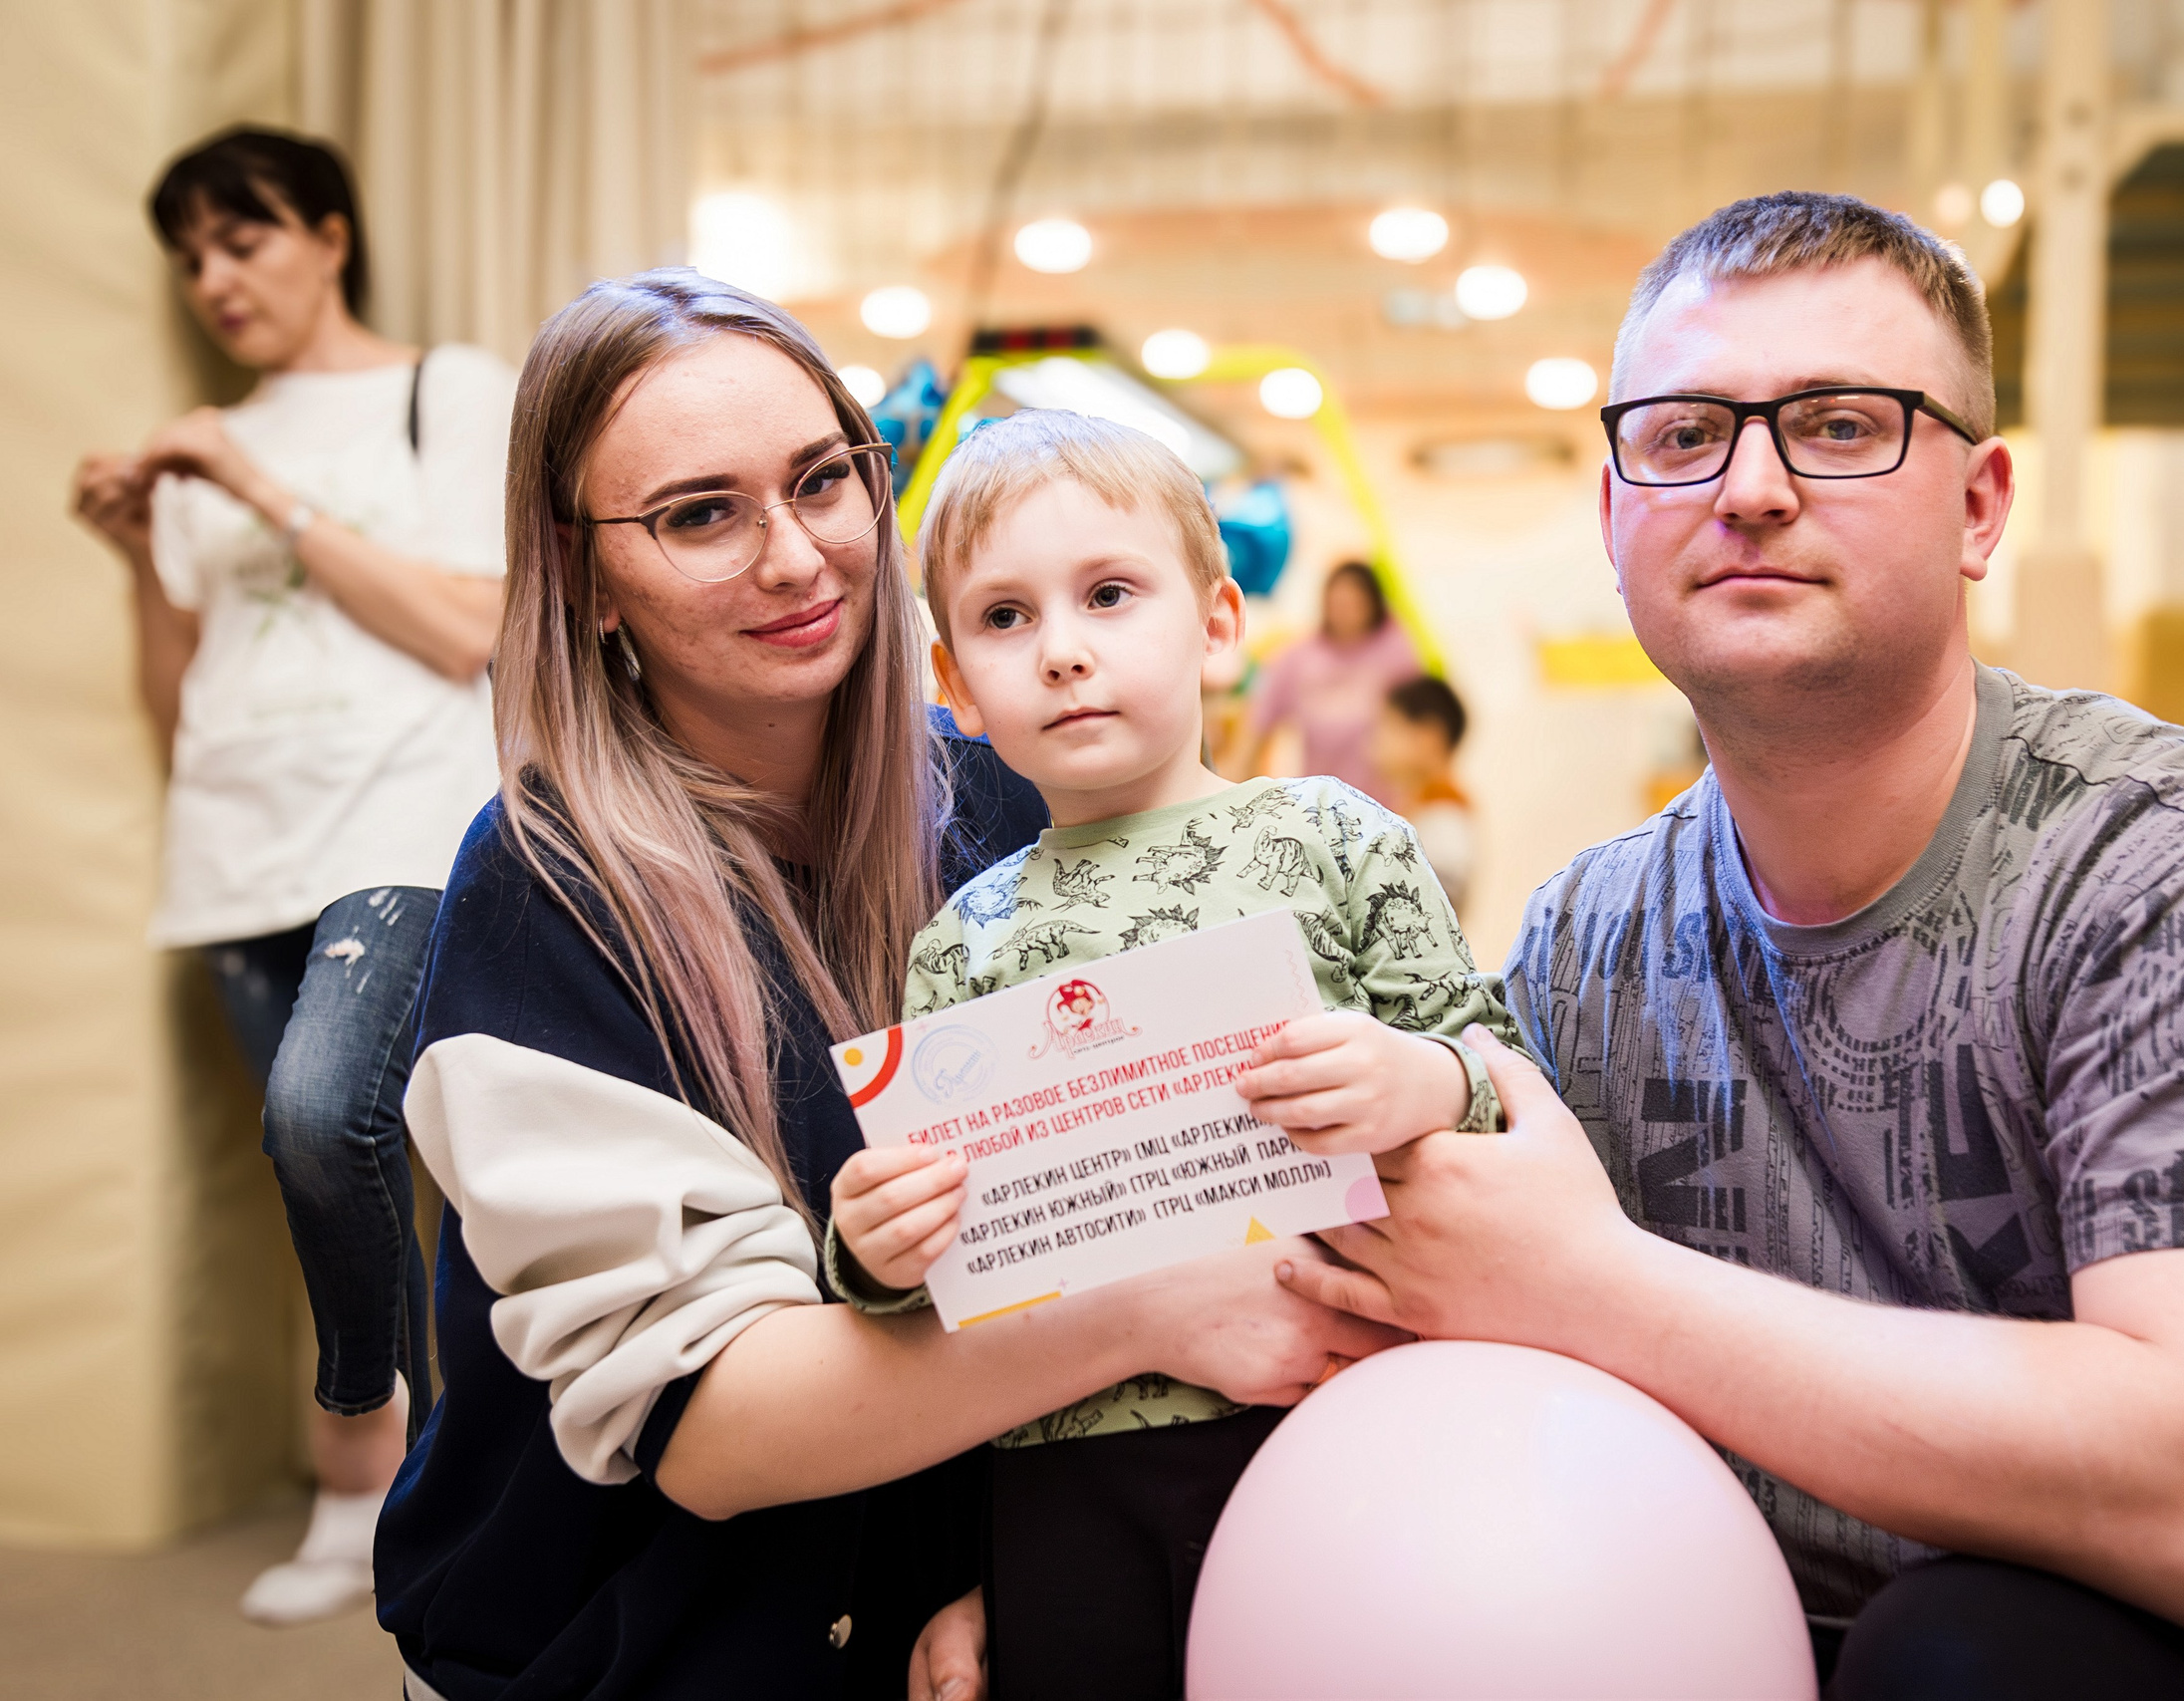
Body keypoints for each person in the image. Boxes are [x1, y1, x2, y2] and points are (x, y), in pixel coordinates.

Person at [1273, 192, 2184, 1701]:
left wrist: (1587, 1283)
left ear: (1981, 507)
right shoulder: (1585, 940)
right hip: (1760, 1625)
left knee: (1971, 1652)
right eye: (1682, 435)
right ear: (1615, 515)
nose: (1749, 487)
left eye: (1838, 423)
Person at [377, 272, 1402, 1701]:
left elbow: (1141, 1196)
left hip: (954, 1610)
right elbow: (716, 1430)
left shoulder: (1014, 790)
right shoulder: (549, 892)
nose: (796, 557)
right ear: (585, 573)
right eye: (699, 514)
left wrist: (1033, 1560)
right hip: (628, 1639)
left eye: (820, 480)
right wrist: (1154, 1307)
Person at [830, 408, 1514, 1701]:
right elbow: (944, 1295)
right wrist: (869, 1249)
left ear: (1214, 624)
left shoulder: (1336, 835)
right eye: (1007, 617)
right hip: (1059, 1474)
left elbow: (1505, 1079)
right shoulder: (962, 938)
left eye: (1107, 593)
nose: (1066, 651)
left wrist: (1422, 1078)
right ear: (955, 683)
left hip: (1332, 1417)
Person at [67, 127, 513, 1625]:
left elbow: (475, 630)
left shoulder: (440, 394)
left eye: (242, 239)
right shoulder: (196, 456)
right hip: (234, 860)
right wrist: (143, 551)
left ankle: (408, 1456)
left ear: (329, 232)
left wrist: (256, 484)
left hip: (396, 834)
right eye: (191, 256)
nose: (214, 278)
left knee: (345, 1123)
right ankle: (375, 1492)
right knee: (335, 1185)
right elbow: (173, 703)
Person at [1239, 558, 1421, 795]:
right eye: (1337, 603)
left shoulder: (1395, 650)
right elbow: (1257, 726)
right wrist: (1248, 793)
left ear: (1372, 604)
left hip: (1382, 802)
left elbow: (1419, 727)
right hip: (1318, 804)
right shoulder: (1300, 657)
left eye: (1354, 603)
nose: (1344, 612)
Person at [1371, 675, 1477, 913]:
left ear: (1429, 737)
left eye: (1389, 726)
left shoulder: (1445, 815)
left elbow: (1433, 909)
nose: (1375, 742)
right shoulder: (1418, 807)